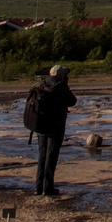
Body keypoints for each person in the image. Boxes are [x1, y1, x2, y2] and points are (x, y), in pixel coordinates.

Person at [32, 65, 77, 196]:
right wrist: (65, 86)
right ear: (60, 76)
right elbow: (72, 101)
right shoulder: (60, 87)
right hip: (55, 126)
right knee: (51, 157)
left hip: (41, 126)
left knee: (42, 156)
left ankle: (38, 187)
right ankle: (48, 188)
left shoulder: (42, 84)